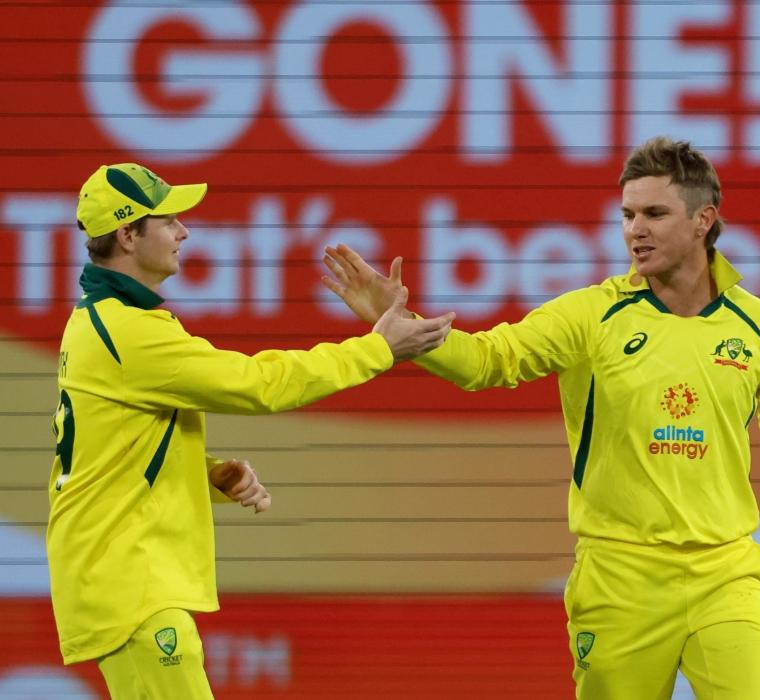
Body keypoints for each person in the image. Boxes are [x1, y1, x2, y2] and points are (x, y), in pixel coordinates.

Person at [321, 136, 760, 699]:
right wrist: (400, 329)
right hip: (619, 583)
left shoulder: (759, 325)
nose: (635, 230)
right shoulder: (592, 315)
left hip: (727, 575)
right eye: (627, 214)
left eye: (654, 214)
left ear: (703, 220)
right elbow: (489, 361)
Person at [49, 163, 455, 699]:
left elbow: (107, 450)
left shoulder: (103, 320)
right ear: (127, 235)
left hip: (123, 578)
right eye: (168, 220)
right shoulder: (127, 331)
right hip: (130, 584)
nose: (183, 231)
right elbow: (260, 385)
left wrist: (207, 474)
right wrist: (378, 349)